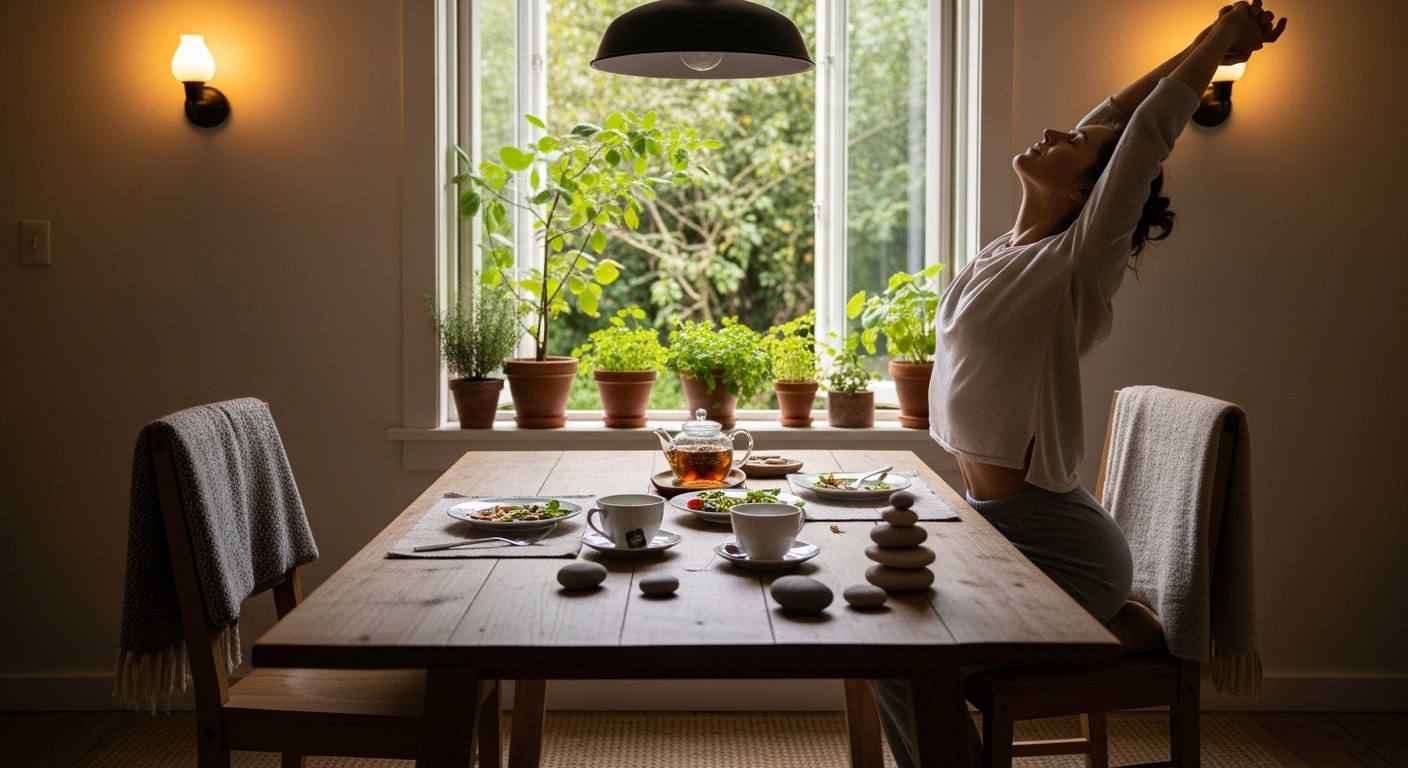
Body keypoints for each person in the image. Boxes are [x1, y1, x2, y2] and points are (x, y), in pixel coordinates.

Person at [867, 3, 1287, 766]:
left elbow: (1144, 134)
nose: (1061, 131)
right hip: (999, 527)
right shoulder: (1012, 249)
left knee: (901, 656)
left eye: (1077, 144)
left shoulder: (1079, 260)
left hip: (1055, 544)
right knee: (880, 641)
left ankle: (1109, 621)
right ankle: (1115, 624)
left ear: (1090, 191)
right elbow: (1116, 118)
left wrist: (1225, 41)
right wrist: (1196, 41)